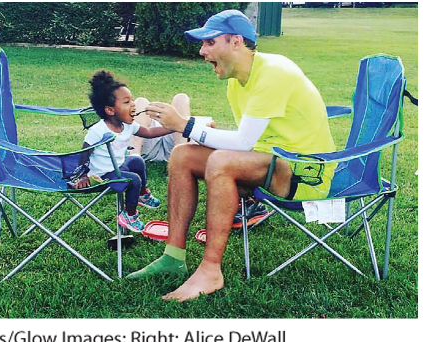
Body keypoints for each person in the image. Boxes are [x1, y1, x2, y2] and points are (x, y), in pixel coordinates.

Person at [126, 9, 336, 302]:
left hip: (306, 173)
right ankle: (173, 256)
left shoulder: (274, 73)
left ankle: (211, 271)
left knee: (221, 162)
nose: (201, 51)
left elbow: (243, 142)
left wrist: (185, 125)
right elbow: (250, 143)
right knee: (183, 155)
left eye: (210, 43)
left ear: (236, 41)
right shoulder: (237, 83)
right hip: (272, 160)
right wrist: (196, 133)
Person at [72, 70, 175, 233]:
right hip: (102, 174)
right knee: (133, 179)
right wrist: (83, 176)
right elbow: (85, 153)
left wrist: (173, 127)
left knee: (136, 160)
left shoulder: (127, 125)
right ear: (110, 110)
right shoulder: (98, 131)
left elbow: (148, 132)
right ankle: (129, 215)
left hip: (118, 167)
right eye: (127, 102)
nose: (133, 104)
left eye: (132, 100)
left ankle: (142, 194)